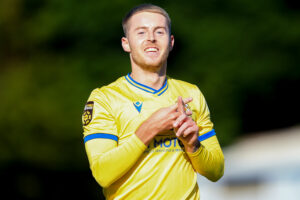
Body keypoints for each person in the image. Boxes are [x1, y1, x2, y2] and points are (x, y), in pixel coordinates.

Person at [82, 3, 224, 199]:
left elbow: (216, 171)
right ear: (126, 43)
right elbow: (102, 174)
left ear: (171, 41)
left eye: (159, 31)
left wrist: (193, 145)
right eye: (141, 32)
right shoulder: (104, 98)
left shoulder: (191, 93)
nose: (151, 38)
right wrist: (150, 128)